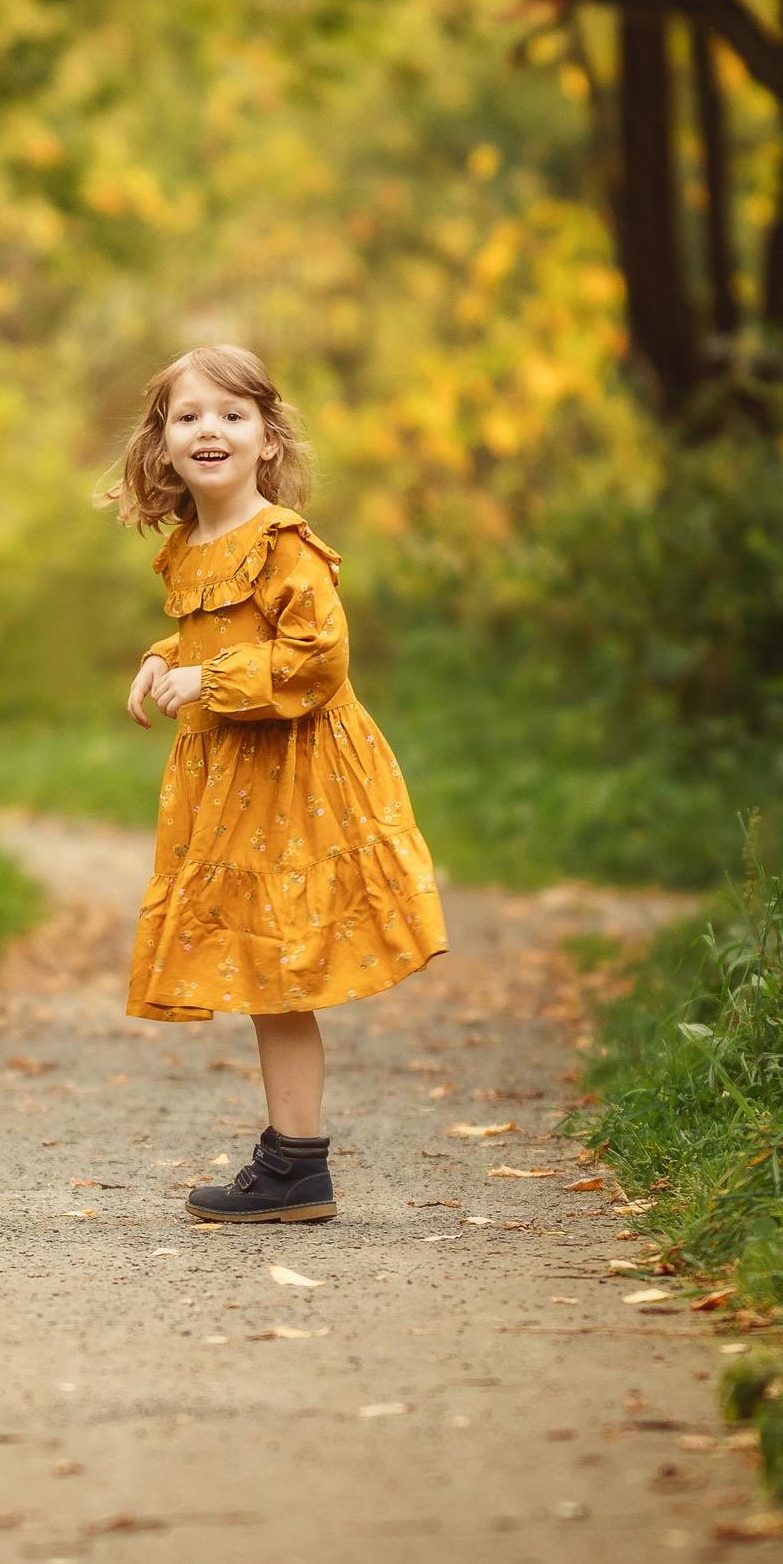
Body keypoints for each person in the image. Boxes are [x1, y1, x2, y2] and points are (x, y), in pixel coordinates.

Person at [99, 344, 449, 1222]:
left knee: (279, 967)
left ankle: (298, 1162)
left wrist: (209, 684)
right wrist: (163, 656)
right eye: (187, 416)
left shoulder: (285, 544)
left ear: (266, 441)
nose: (207, 430)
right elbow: (219, 632)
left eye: (231, 414)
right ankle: (295, 1161)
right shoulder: (192, 546)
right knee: (265, 973)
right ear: (163, 443)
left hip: (295, 778)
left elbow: (316, 658)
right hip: (235, 780)